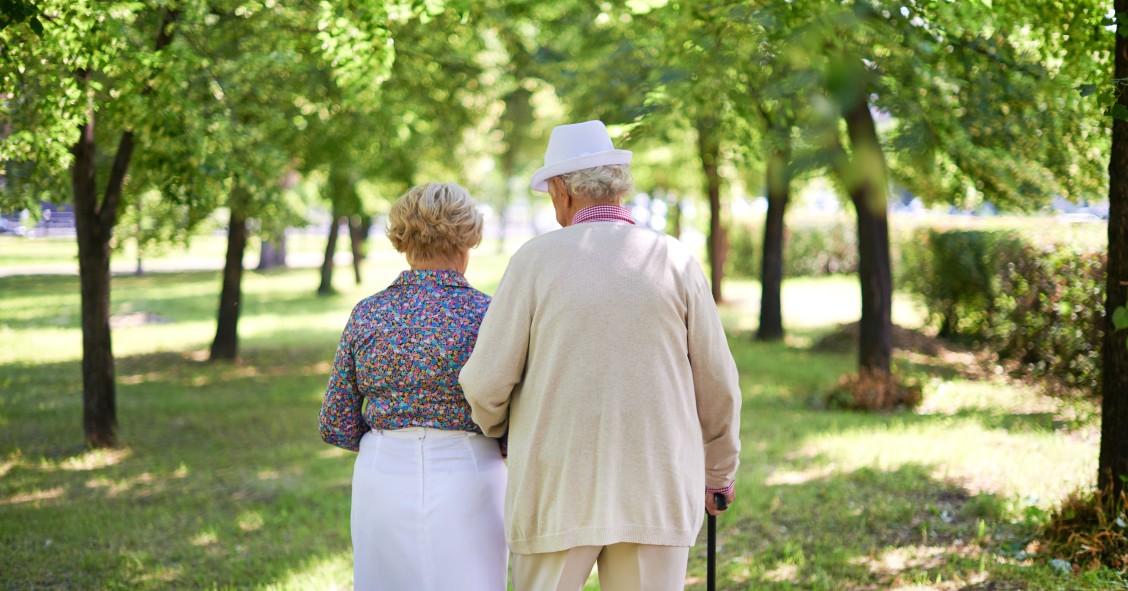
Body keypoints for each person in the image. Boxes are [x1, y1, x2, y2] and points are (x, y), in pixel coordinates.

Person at [459, 120, 742, 591]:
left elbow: (486, 382)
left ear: (562, 192)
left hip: (556, 487)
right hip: (655, 487)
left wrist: (502, 430)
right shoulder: (673, 259)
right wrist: (718, 473)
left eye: (550, 194)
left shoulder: (533, 262)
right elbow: (717, 381)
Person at [319, 182, 506, 591]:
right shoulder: (490, 315)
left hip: (383, 470)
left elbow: (336, 421)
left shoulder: (368, 314)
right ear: (468, 239)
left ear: (403, 241)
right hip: (471, 471)